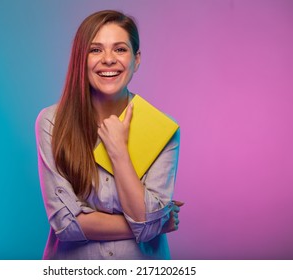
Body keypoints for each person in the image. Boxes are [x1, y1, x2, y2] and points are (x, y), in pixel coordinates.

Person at [35, 10, 182, 260]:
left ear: (136, 60)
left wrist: (118, 151)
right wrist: (153, 224)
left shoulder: (163, 130)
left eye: (120, 49)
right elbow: (65, 224)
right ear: (81, 60)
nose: (108, 59)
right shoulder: (52, 121)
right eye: (96, 50)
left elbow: (146, 222)